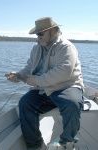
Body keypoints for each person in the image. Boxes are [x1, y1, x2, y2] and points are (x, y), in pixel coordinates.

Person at [6, 17, 84, 150]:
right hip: (45, 88)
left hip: (66, 86)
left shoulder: (66, 47)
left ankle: (65, 143)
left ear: (52, 31)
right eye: (37, 34)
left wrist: (36, 81)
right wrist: (19, 76)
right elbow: (29, 67)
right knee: (25, 103)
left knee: (72, 103)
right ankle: (36, 145)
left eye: (41, 33)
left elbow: (63, 72)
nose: (38, 37)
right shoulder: (37, 48)